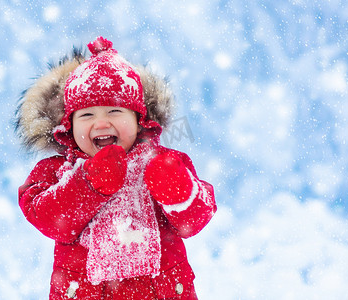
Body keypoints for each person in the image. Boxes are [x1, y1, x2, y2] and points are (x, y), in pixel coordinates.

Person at [15, 36, 217, 300]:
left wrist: (178, 191)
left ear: (139, 120)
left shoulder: (164, 162)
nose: (101, 123)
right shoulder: (59, 171)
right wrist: (88, 183)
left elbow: (198, 217)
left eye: (114, 112)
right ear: (69, 128)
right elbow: (50, 220)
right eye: (87, 115)